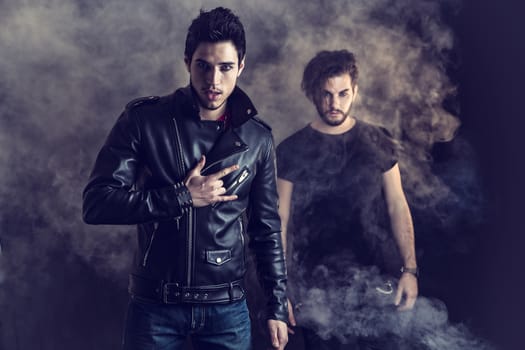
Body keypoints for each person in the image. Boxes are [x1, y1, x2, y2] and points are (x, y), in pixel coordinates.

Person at [82, 7, 288, 350]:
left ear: (241, 66)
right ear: (187, 62)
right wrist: (180, 196)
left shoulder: (258, 139)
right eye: (203, 66)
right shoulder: (144, 120)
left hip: (227, 308)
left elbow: (266, 228)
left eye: (225, 68)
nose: (214, 80)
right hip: (155, 308)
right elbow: (97, 203)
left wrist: (277, 305)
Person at [276, 50, 418, 349]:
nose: (334, 103)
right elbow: (279, 221)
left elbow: (397, 206)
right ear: (313, 93)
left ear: (355, 91)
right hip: (316, 291)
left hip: (379, 283)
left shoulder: (378, 140)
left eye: (342, 94)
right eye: (326, 94)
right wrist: (280, 290)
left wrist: (410, 269)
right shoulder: (291, 149)